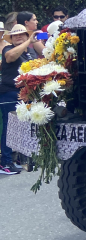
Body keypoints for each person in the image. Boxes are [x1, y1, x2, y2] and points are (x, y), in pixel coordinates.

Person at [1, 24, 42, 174]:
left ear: (26, 35)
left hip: (27, 93)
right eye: (15, 35)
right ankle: (5, 162)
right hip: (10, 92)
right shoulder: (8, 49)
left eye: (22, 34)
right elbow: (11, 57)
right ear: (11, 38)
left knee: (26, 126)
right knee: (9, 127)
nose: (18, 37)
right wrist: (29, 40)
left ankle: (22, 159)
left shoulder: (31, 51)